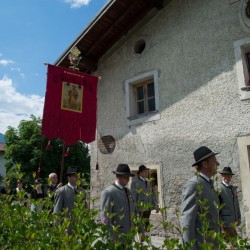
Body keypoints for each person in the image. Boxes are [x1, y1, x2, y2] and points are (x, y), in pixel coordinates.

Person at [180, 146, 221, 249]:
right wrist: (190, 247)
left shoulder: (207, 183)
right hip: (201, 244)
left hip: (211, 243)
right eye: (214, 161)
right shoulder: (194, 185)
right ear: (205, 164)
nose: (218, 163)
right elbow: (187, 220)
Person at [100, 164, 137, 243]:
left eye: (128, 177)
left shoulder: (129, 192)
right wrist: (111, 237)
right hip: (116, 238)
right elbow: (105, 218)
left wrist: (140, 230)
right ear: (118, 176)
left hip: (129, 237)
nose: (128, 179)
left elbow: (135, 211)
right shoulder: (109, 192)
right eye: (125, 176)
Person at [131, 165, 159, 233]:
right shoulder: (135, 182)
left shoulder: (148, 182)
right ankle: (140, 240)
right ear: (140, 173)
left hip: (148, 207)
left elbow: (151, 195)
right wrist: (135, 208)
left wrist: (155, 205)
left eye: (147, 172)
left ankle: (148, 240)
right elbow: (133, 196)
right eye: (144, 172)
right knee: (140, 225)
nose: (146, 173)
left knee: (147, 224)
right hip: (140, 208)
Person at [218, 167, 241, 237]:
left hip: (234, 221)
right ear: (222, 176)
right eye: (225, 175)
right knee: (235, 243)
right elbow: (217, 208)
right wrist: (221, 223)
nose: (227, 177)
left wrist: (238, 217)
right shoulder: (219, 189)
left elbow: (236, 204)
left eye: (229, 175)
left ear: (231, 176)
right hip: (226, 223)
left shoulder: (233, 188)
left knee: (231, 245)